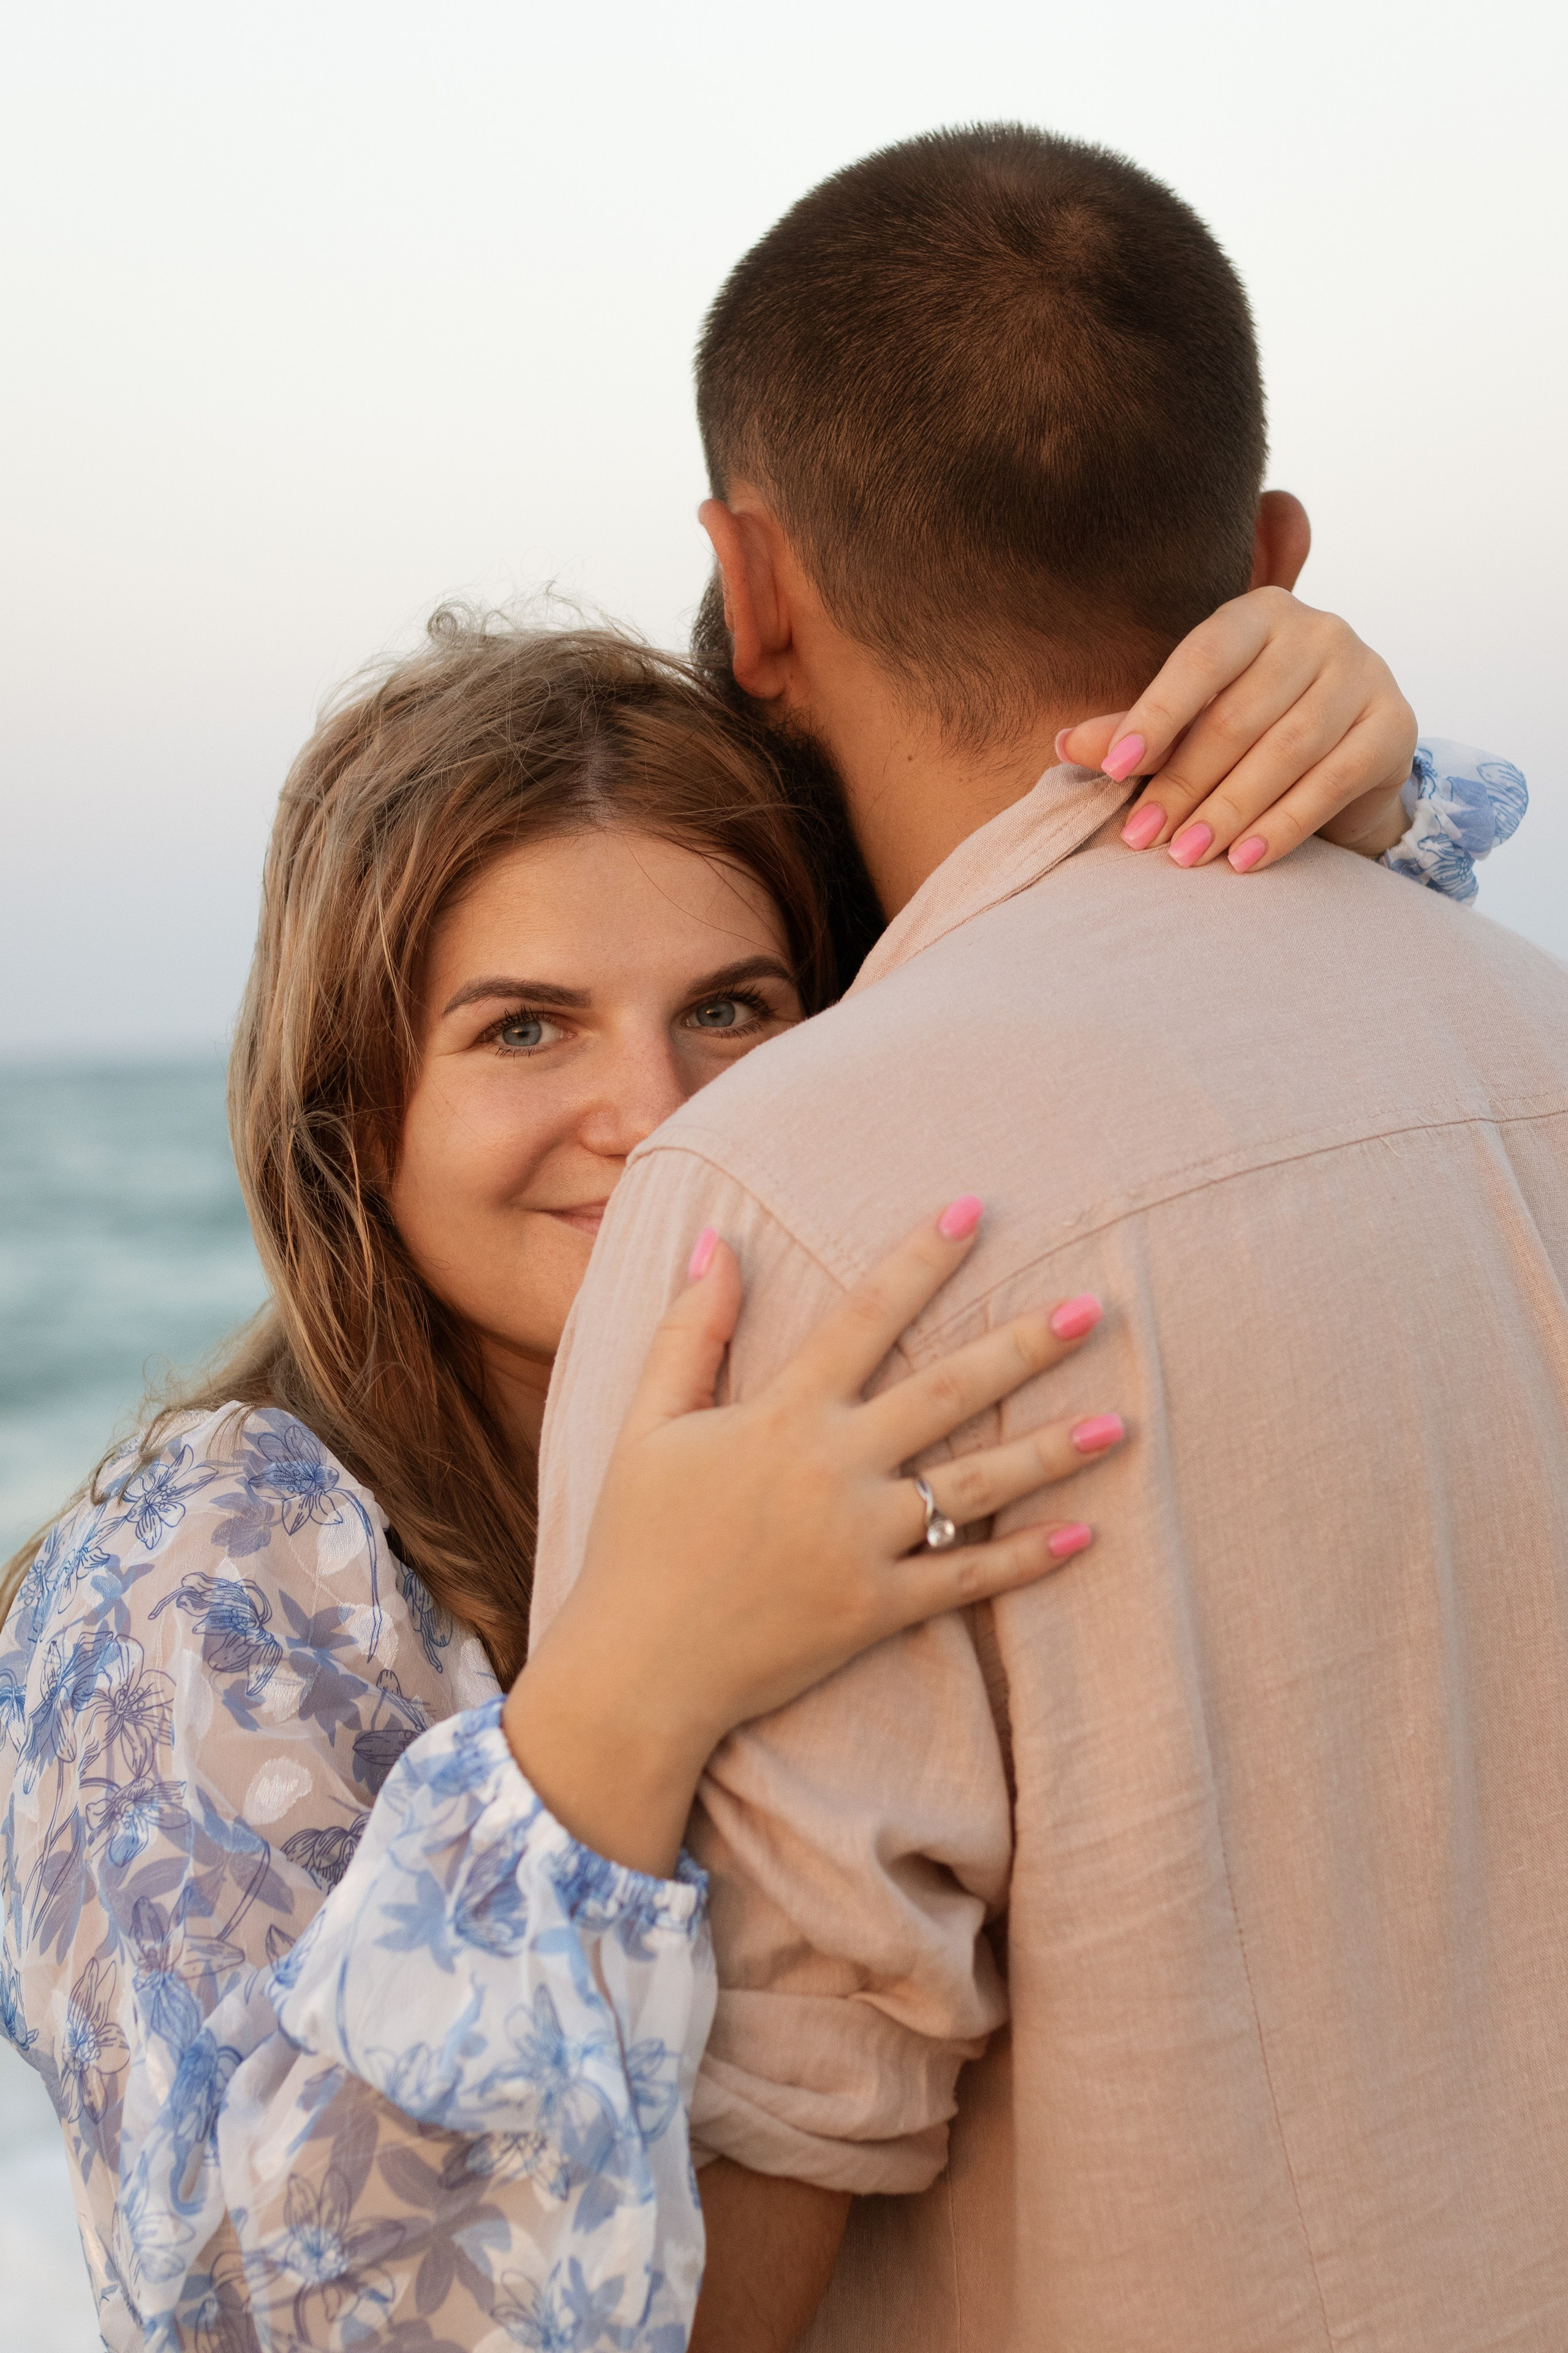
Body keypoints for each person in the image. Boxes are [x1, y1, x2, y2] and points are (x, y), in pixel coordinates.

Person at [0, 588, 1521, 2352]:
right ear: (354, 1114)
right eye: (523, 1028)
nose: (660, 1112)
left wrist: (1334, 772)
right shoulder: (207, 1565)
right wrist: (636, 1677)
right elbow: (260, 2313)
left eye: (732, 1007)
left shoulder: (853, 1401)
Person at [529, 127, 1568, 2352]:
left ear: (754, 579)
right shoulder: (1535, 1030)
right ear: (1271, 557)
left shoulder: (790, 1194)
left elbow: (759, 2171)